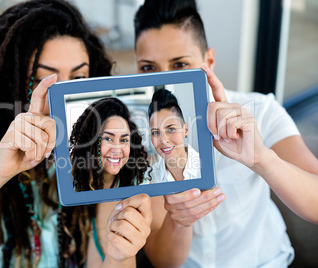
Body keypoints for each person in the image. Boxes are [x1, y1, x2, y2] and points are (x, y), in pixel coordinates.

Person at [0, 1, 152, 267]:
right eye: (42, 80)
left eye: (77, 79)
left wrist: (122, 252)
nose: (63, 98)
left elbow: (105, 258)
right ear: (9, 82)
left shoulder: (103, 146)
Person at [133, 0, 318, 267]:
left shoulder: (261, 111)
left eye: (180, 65)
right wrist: (180, 221)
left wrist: (262, 159)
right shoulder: (141, 141)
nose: (164, 82)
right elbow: (163, 261)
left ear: (209, 60)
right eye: (148, 68)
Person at [70, 97, 150, 192]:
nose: (116, 150)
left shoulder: (140, 184)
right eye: (108, 139)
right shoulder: (68, 184)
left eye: (124, 140)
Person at [148, 89, 201, 183]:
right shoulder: (150, 177)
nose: (164, 140)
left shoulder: (208, 167)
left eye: (171, 129)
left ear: (185, 130)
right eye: (156, 132)